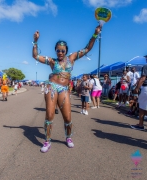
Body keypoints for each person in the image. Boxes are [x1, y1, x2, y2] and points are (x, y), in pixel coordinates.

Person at [32, 25, 101, 153]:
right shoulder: (52, 61)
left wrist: (95, 34)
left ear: (66, 51)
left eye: (62, 50)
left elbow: (87, 48)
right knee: (49, 115)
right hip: (52, 87)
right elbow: (35, 56)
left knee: (67, 117)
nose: (60, 53)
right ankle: (47, 141)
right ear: (56, 51)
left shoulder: (72, 58)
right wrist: (35, 41)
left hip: (64, 89)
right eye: (58, 50)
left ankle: (68, 138)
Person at [131, 63, 147, 130]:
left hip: (146, 88)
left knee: (142, 108)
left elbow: (143, 78)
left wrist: (137, 88)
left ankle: (140, 125)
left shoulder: (146, 66)